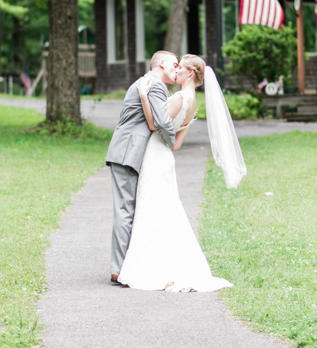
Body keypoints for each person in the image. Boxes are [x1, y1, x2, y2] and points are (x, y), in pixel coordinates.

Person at [117, 54, 246, 292]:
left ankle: (154, 268)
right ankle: (165, 263)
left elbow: (155, 124)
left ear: (189, 74)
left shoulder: (178, 97)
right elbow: (176, 144)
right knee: (165, 210)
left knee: (152, 210)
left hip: (156, 156)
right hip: (166, 156)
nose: (175, 72)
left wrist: (144, 96)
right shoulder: (193, 101)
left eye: (179, 69)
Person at [105, 50, 178, 285]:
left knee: (129, 209)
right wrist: (173, 140)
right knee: (125, 211)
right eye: (174, 65)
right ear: (162, 64)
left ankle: (126, 265)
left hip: (127, 150)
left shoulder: (145, 82)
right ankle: (118, 270)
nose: (176, 69)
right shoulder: (154, 85)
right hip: (128, 152)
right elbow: (161, 122)